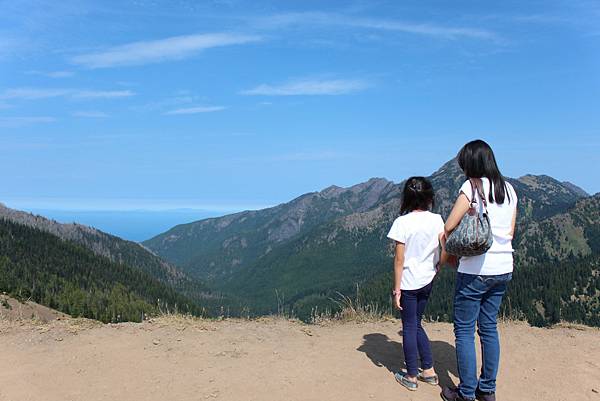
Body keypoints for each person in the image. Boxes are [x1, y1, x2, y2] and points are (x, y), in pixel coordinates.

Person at [441, 140, 518, 401]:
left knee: (463, 330)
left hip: (475, 269)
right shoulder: (509, 190)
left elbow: (449, 225)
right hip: (504, 267)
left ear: (471, 164)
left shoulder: (471, 186)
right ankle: (487, 390)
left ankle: (465, 393)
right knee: (488, 328)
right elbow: (510, 232)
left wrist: (449, 252)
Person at [387, 176, 447, 391]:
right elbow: (445, 247)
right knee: (417, 322)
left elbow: (399, 260)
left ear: (407, 198)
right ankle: (429, 371)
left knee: (409, 326)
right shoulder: (437, 219)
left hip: (409, 282)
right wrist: (439, 265)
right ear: (429, 197)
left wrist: (397, 289)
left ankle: (411, 376)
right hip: (427, 279)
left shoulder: (402, 223)